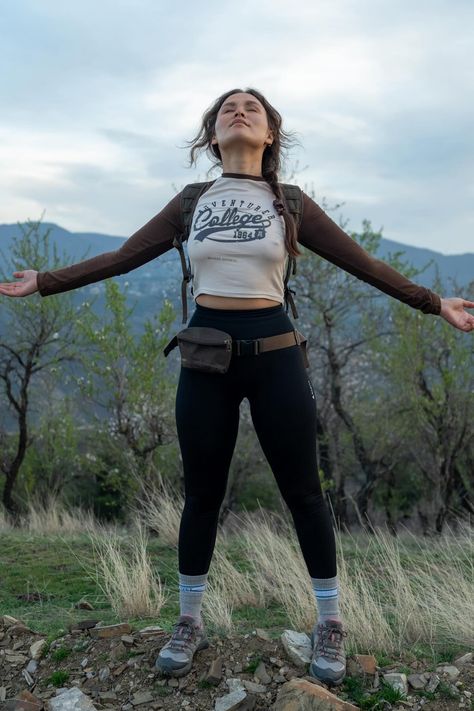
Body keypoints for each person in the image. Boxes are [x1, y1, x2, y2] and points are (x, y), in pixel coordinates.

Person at [1, 88, 473, 686]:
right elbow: (123, 257)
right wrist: (45, 280)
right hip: (206, 359)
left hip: (276, 356)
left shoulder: (292, 203)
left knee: (304, 493)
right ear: (213, 135)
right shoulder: (193, 201)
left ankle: (330, 623)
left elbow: (364, 264)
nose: (239, 111)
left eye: (252, 108)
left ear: (270, 134)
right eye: (227, 108)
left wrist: (435, 304)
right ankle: (189, 620)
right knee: (201, 495)